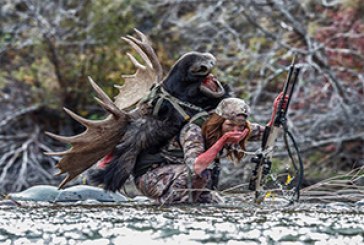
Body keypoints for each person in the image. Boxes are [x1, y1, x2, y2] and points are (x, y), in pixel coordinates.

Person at [132, 94, 286, 204]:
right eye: (230, 126)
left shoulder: (240, 128)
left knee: (217, 202)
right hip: (151, 176)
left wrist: (276, 112)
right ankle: (167, 206)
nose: (236, 130)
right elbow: (197, 167)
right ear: (218, 122)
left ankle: (174, 203)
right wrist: (223, 140)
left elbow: (269, 135)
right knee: (201, 175)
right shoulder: (194, 129)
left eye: (240, 126)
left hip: (178, 177)